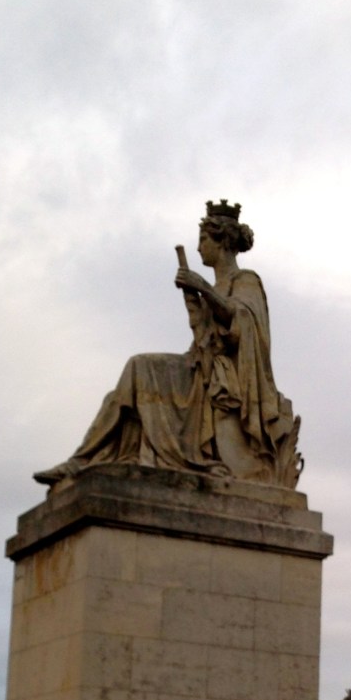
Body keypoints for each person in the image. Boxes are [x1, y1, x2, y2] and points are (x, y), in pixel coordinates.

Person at [34, 200, 301, 488]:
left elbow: (244, 324)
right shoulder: (218, 285)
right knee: (127, 386)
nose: (198, 248)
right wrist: (194, 302)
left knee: (140, 366)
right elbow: (203, 337)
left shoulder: (246, 280)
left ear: (221, 241)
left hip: (221, 378)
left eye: (203, 240)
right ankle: (90, 460)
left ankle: (85, 461)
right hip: (199, 364)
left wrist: (203, 289)